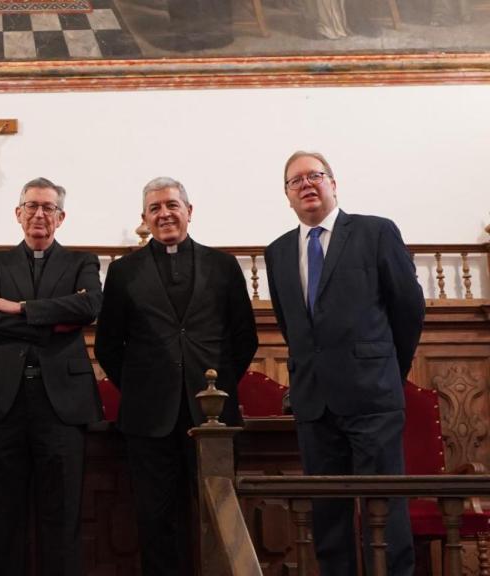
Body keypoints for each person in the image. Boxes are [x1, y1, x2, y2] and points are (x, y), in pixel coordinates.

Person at [265, 151, 424, 576]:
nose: (306, 185)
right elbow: (291, 325)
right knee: (329, 519)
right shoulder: (277, 252)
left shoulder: (375, 232)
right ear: (287, 195)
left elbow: (408, 309)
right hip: (314, 403)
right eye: (295, 181)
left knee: (383, 511)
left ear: (333, 184)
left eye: (314, 176)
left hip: (372, 396)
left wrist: (388, 370)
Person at [95, 177, 257, 576]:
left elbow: (244, 338)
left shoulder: (223, 266)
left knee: (220, 517)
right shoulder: (123, 273)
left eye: (172, 205)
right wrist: (142, 388)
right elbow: (108, 345)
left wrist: (218, 389)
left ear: (189, 210)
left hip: (212, 417)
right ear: (144, 217)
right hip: (149, 418)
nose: (164, 214)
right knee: (155, 520)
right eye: (155, 208)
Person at [0, 177, 103, 576]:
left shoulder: (82, 262)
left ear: (61, 217)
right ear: (18, 213)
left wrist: (19, 308)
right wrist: (56, 320)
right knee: (3, 515)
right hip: (3, 400)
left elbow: (89, 308)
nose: (39, 214)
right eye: (32, 206)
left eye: (48, 207)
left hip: (62, 402)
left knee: (62, 514)